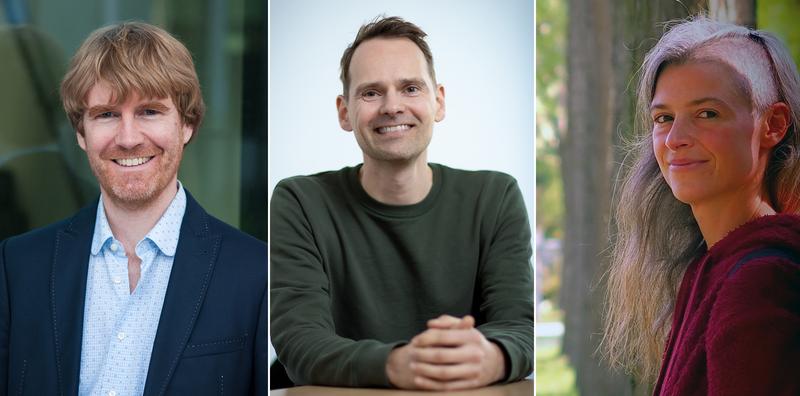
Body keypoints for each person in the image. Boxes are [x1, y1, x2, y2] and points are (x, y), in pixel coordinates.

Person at [0, 22, 267, 395]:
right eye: (107, 114)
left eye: (149, 112)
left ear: (187, 124)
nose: (127, 138)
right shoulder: (18, 266)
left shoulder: (255, 272)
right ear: (81, 132)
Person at [270, 16, 533, 390]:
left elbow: (521, 327)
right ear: (344, 112)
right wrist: (398, 364)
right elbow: (300, 344)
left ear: (438, 101)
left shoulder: (495, 197)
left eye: (410, 88)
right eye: (371, 93)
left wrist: (489, 357)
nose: (392, 106)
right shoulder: (299, 202)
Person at [603, 16, 800, 395]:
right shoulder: (713, 268)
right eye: (664, 118)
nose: (675, 138)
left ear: (773, 124)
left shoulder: (760, 280)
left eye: (707, 113)